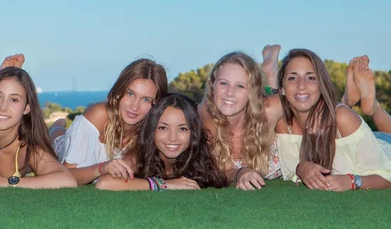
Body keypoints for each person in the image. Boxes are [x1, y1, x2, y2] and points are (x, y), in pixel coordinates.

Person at [275, 49, 391, 191]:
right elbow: (291, 171)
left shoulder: (343, 118)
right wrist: (302, 167)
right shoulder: (284, 125)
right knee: (340, 119)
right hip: (356, 140)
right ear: (281, 88)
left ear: (321, 86)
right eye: (292, 77)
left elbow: (388, 178)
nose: (301, 85)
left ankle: (374, 108)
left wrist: (352, 181)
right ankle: (347, 101)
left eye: (311, 77)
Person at [52, 58, 168, 185]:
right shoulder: (99, 114)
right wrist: (102, 168)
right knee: (56, 136)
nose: (134, 106)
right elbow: (67, 177)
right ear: (119, 92)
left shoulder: (153, 132)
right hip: (61, 146)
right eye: (130, 93)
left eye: (146, 99)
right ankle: (57, 126)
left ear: (156, 104)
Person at [96, 93, 228, 190]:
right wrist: (165, 184)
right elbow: (104, 183)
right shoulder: (140, 155)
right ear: (152, 131)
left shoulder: (200, 156)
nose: (172, 137)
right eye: (163, 128)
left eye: (182, 129)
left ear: (194, 132)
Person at [199, 46, 284, 191]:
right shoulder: (202, 118)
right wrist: (240, 172)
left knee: (275, 97)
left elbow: (315, 105)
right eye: (223, 83)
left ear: (252, 91)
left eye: (240, 86)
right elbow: (217, 171)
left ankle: (272, 74)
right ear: (213, 86)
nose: (230, 93)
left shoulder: (269, 109)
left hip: (262, 105)